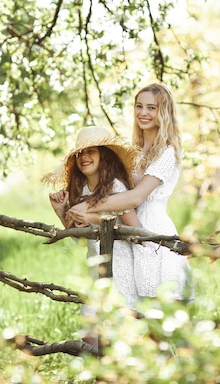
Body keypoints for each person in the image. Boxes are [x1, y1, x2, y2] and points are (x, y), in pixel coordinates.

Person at [68, 83, 194, 303]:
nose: (143, 113)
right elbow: (116, 189)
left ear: (163, 112)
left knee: (160, 312)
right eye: (139, 106)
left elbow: (136, 197)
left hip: (152, 229)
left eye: (151, 108)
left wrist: (89, 205)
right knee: (139, 314)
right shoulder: (134, 150)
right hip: (128, 231)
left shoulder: (168, 151)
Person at [41, 126, 143, 312]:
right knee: (90, 333)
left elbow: (135, 229)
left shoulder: (116, 187)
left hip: (119, 268)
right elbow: (80, 239)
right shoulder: (81, 189)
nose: (84, 157)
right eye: (80, 153)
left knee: (115, 331)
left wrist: (92, 218)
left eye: (91, 151)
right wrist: (61, 211)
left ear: (104, 156)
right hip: (95, 268)